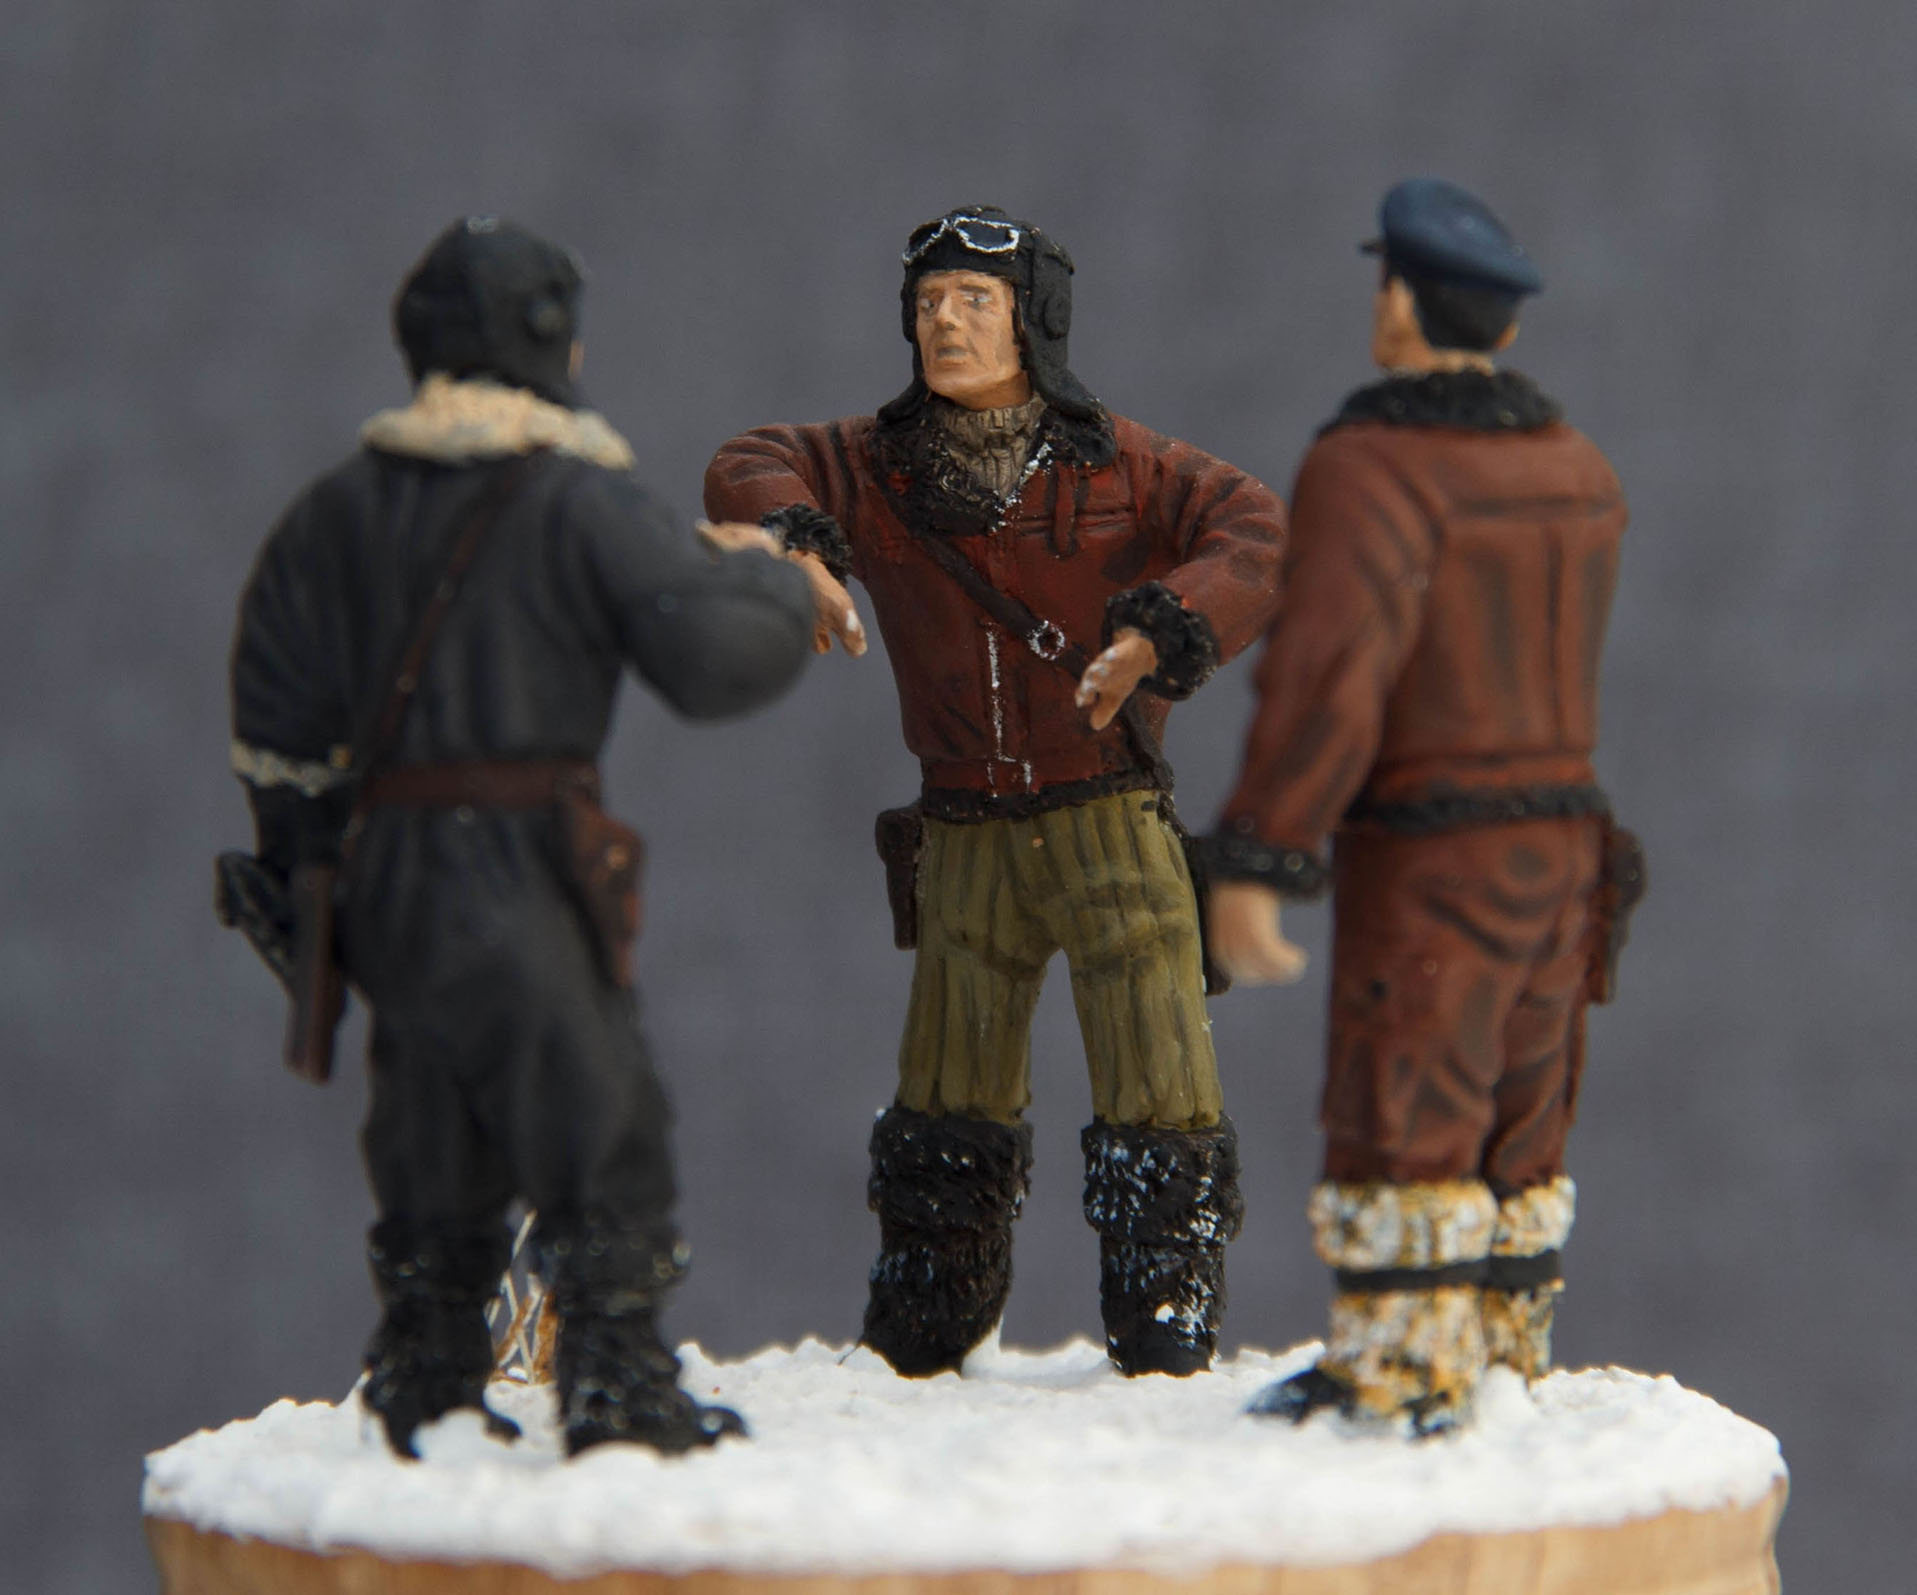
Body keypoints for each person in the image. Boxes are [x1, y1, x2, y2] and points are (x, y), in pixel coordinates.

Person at [225, 216, 852, 1458]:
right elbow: (713, 657)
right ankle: (615, 1384)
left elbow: (276, 721)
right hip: (517, 857)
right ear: (548, 340)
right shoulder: (578, 500)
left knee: (430, 1116)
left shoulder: (332, 512)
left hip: (383, 869)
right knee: (598, 1113)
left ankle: (425, 1375)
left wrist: (311, 873)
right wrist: (773, 575)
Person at [705, 206, 1286, 1378]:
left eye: (976, 300)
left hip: (1110, 818)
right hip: (964, 829)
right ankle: (927, 1323)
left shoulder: (1123, 461)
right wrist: (796, 545)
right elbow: (747, 460)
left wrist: (1163, 630)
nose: (947, 323)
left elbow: (1257, 532)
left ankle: (1165, 1326)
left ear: (1035, 321)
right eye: (928, 302)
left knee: (1160, 1083)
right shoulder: (875, 462)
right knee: (946, 1098)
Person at [1204, 179, 1640, 1432]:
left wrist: (1262, 850)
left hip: (1435, 848)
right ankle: (1503, 1347)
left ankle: (1403, 1372)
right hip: (1570, 844)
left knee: (1407, 1093)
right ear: (1504, 324)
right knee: (1525, 1103)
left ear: (1400, 302)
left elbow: (1332, 673)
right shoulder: (1581, 468)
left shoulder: (1372, 467)